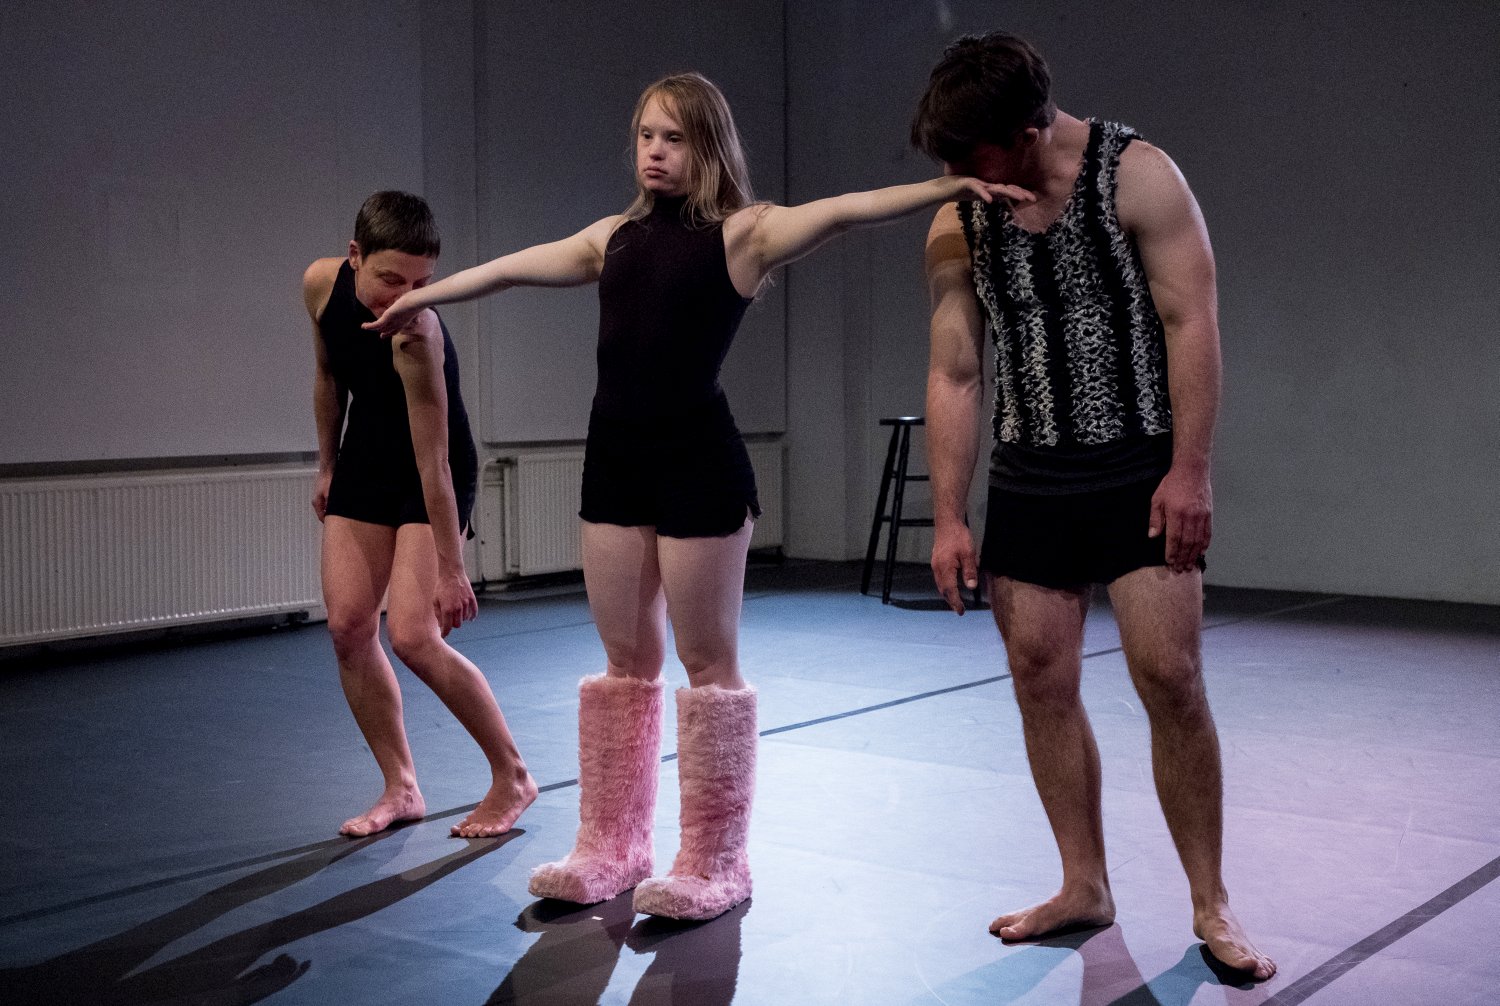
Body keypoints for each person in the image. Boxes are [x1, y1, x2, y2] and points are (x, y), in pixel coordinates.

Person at [366, 73, 1032, 921]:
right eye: (646, 135)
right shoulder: (612, 238)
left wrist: (950, 186)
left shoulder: (745, 235)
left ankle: (716, 860)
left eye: (674, 138)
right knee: (623, 665)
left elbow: (846, 209)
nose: (654, 151)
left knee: (708, 667)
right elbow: (508, 270)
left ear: (708, 146)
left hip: (699, 468)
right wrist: (424, 295)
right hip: (616, 464)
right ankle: (611, 846)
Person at [913, 32, 1275, 980]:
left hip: (1137, 468)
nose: (954, 176)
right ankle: (1084, 884)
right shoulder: (960, 214)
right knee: (1039, 677)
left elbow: (1192, 323)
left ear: (1028, 133)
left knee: (1170, 676)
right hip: (1030, 474)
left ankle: (1212, 903)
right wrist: (949, 515)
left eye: (970, 155)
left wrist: (1189, 470)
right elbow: (956, 369)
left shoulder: (1139, 177)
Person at [304, 191, 538, 839]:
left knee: (412, 635)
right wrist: (327, 465)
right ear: (354, 256)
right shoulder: (320, 285)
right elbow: (328, 376)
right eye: (391, 279)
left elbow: (435, 465)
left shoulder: (416, 333)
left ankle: (513, 776)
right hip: (365, 460)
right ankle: (401, 787)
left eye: (423, 283)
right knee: (349, 628)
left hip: (430, 473)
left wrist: (452, 568)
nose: (406, 297)